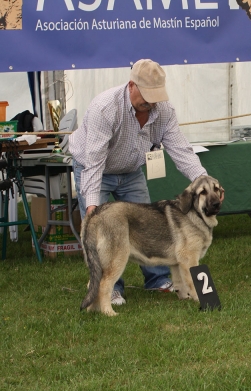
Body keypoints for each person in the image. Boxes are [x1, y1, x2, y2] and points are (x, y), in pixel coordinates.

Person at [70, 59, 212, 305]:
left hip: (131, 171)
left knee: (149, 226)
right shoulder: (104, 108)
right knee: (107, 233)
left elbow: (181, 150)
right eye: (146, 94)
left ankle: (157, 281)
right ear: (131, 85)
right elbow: (93, 161)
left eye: (156, 95)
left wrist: (204, 181)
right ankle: (111, 289)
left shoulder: (164, 111)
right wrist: (92, 205)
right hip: (96, 170)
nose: (150, 101)